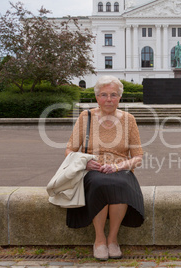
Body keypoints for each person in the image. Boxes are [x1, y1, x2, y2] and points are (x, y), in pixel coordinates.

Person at [65, 75, 144, 260]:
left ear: (120, 97)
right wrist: (85, 162)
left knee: (120, 184)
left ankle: (112, 239)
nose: (109, 99)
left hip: (120, 168)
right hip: (92, 168)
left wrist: (118, 167)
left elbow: (138, 157)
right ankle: (99, 239)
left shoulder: (129, 120)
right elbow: (69, 150)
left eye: (113, 95)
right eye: (104, 94)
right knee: (99, 183)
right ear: (96, 97)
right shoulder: (87, 117)